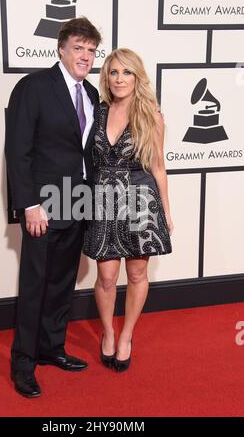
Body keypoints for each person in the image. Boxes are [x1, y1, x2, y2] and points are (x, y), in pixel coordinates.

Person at [5, 17, 101, 397]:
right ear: (60, 48)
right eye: (78, 48)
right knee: (35, 285)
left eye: (91, 50)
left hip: (77, 202)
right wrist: (29, 204)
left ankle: (51, 348)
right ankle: (23, 363)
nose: (85, 56)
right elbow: (18, 150)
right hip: (43, 205)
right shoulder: (33, 87)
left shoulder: (91, 94)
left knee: (62, 283)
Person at [83, 48, 173, 372]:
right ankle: (108, 332)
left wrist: (165, 211)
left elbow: (159, 167)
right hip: (105, 200)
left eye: (127, 72)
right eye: (113, 72)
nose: (119, 78)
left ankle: (126, 337)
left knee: (136, 274)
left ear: (138, 77)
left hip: (140, 200)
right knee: (106, 277)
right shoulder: (98, 112)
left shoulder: (151, 116)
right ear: (106, 77)